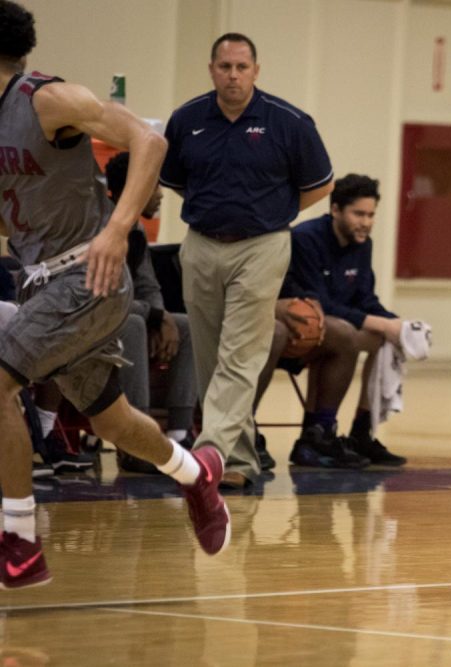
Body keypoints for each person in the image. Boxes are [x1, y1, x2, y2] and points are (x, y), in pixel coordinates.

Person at [0, 0, 230, 587]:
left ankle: (20, 539)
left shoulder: (47, 99)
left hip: (89, 277)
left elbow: (148, 144)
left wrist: (117, 229)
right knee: (114, 423)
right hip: (40, 285)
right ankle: (194, 472)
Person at [160, 32, 334, 489]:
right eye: (224, 67)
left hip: (262, 246)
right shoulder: (186, 120)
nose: (233, 75)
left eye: (241, 67)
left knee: (240, 354)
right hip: (200, 243)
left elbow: (321, 184)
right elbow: (175, 180)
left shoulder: (289, 122)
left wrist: (278, 212)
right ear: (211, 69)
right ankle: (238, 463)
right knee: (209, 355)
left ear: (256, 70)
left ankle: (208, 453)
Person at [258, 173, 408, 468]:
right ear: (335, 210)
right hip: (293, 325)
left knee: (386, 338)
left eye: (371, 215)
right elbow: (320, 304)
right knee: (346, 333)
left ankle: (360, 432)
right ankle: (311, 431)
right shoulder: (305, 238)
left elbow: (366, 299)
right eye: (358, 214)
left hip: (329, 327)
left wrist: (399, 324)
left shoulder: (363, 244)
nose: (365, 222)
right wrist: (381, 323)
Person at [105, 151, 197, 473]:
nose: (160, 194)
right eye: (155, 186)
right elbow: (102, 297)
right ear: (136, 187)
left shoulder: (137, 229)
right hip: (86, 321)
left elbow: (147, 284)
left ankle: (179, 435)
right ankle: (135, 441)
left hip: (124, 314)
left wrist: (163, 316)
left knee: (187, 325)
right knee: (133, 324)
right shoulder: (98, 226)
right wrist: (154, 317)